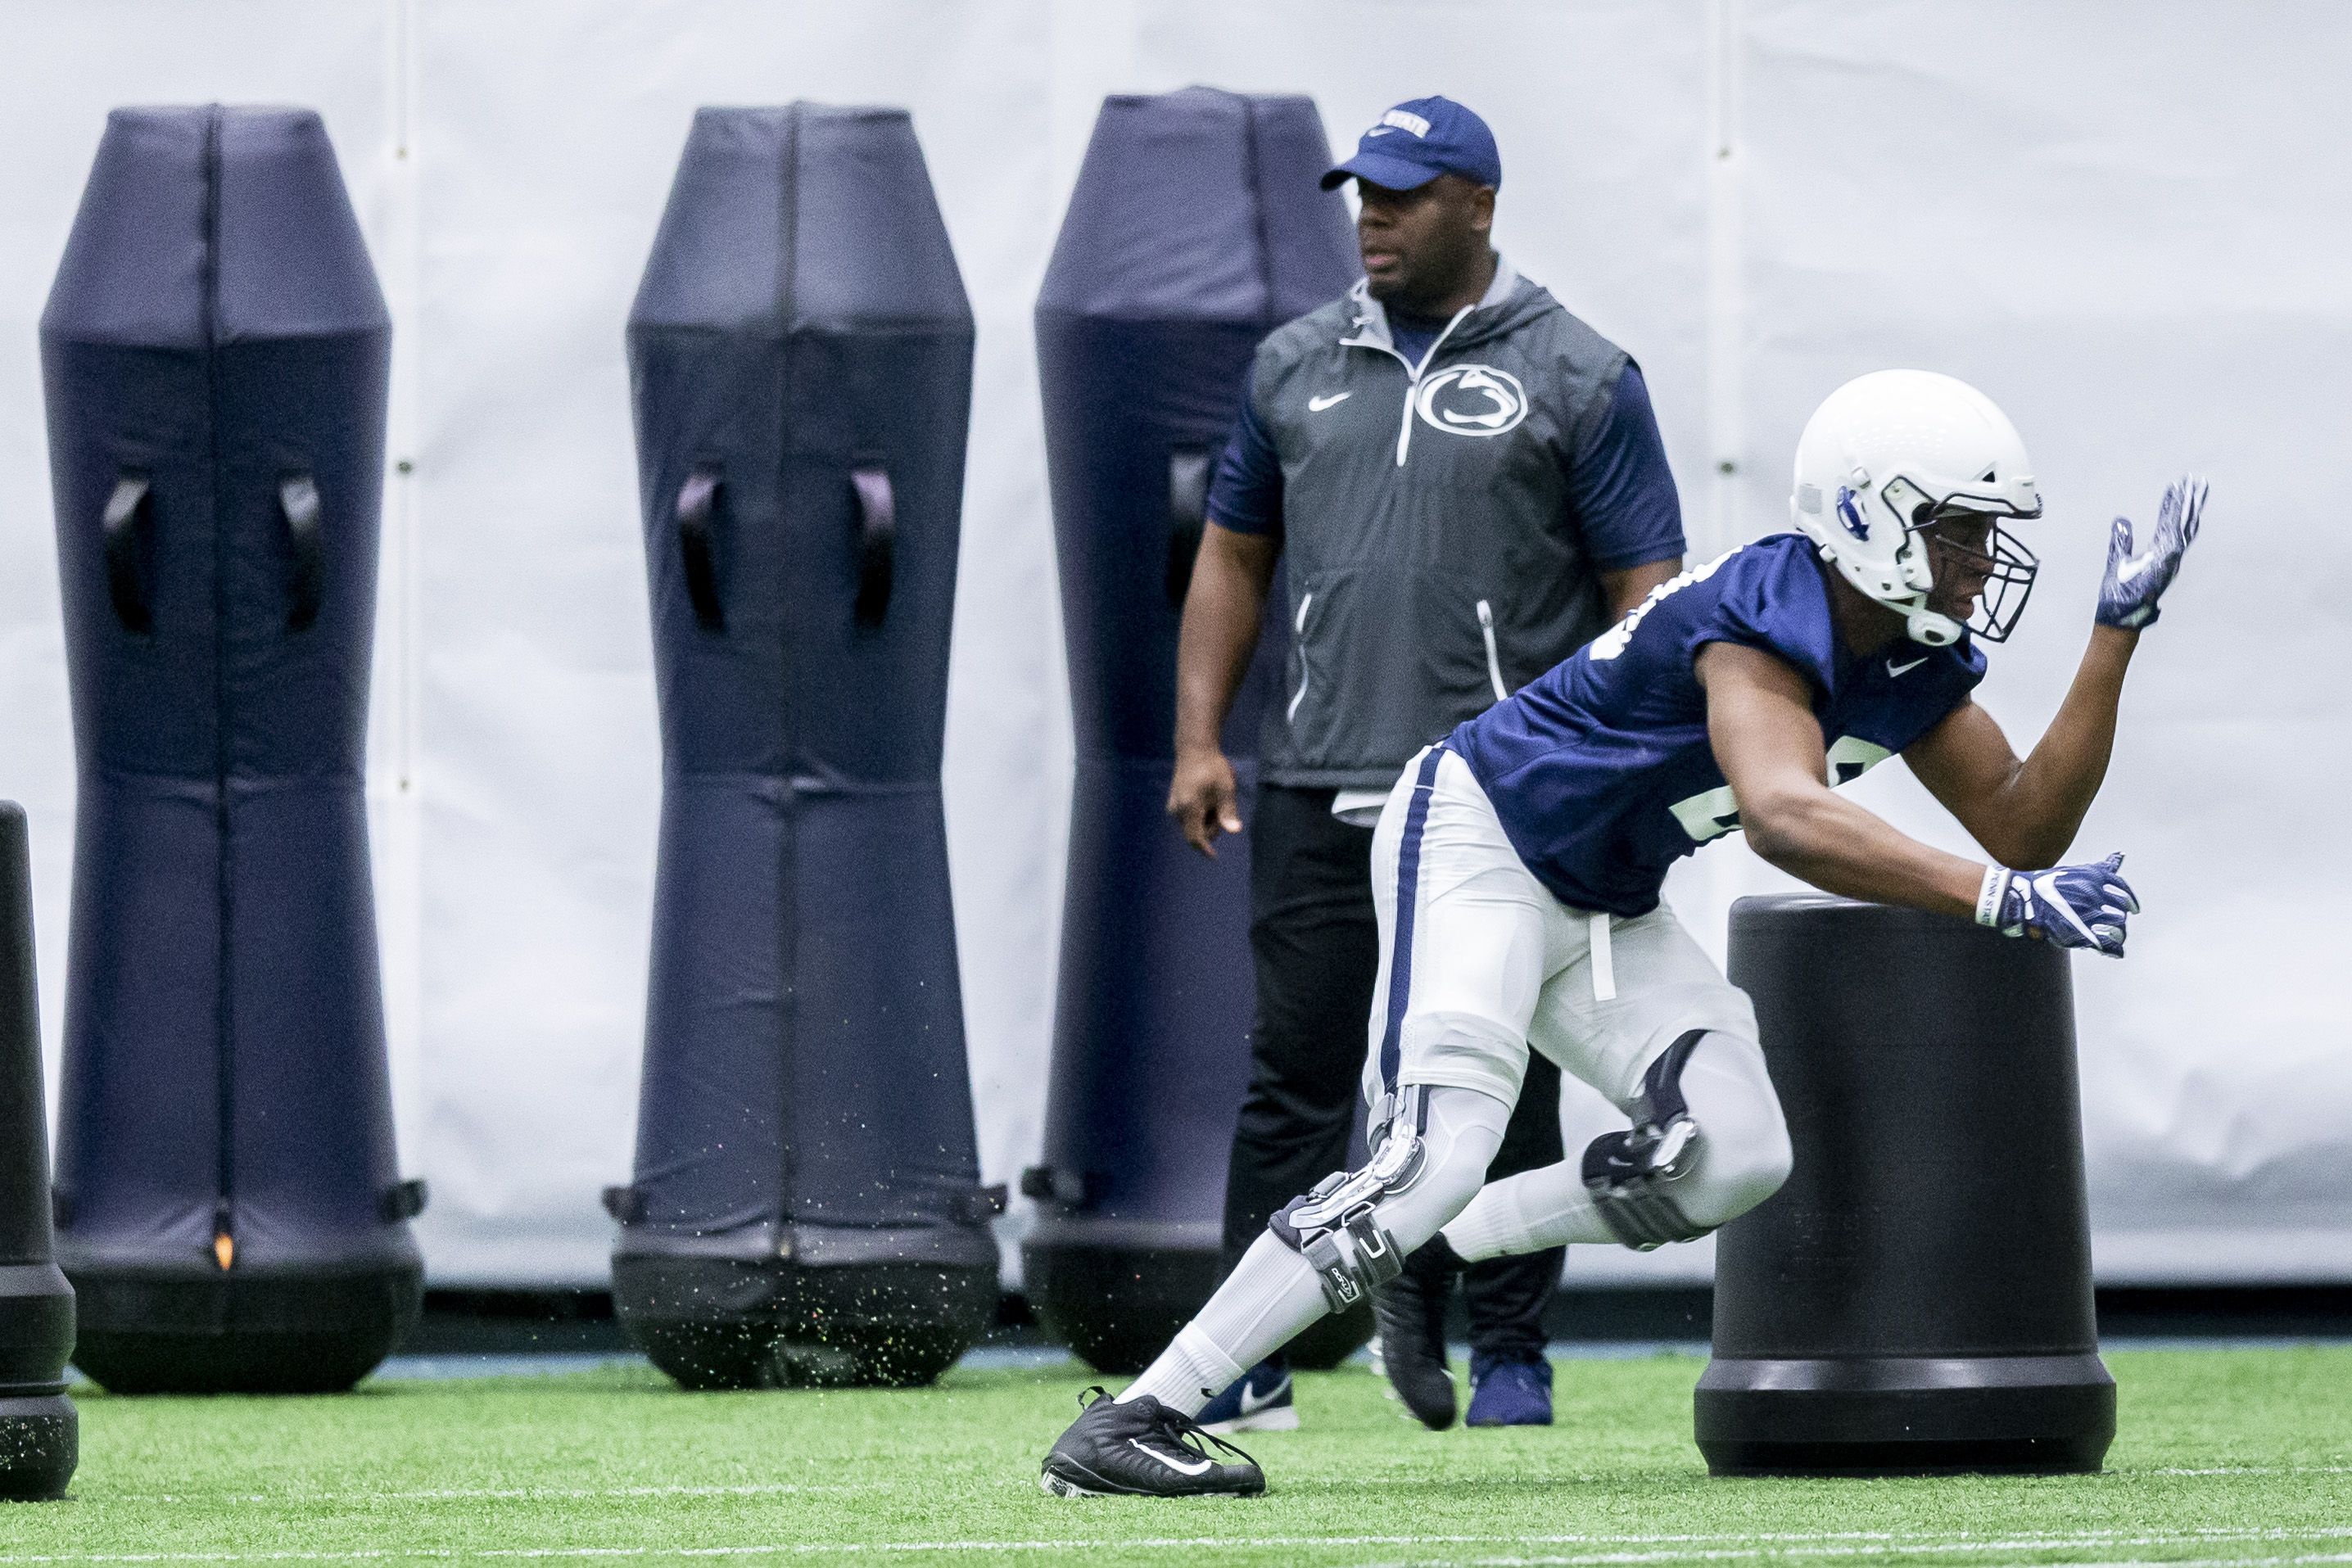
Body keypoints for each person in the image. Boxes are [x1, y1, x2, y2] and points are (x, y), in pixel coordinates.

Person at [1037, 368, 2204, 1497]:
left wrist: (2117, 633)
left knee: (1740, 1151)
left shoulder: (1909, 653)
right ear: (1872, 514)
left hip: (1602, 898)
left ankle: (1441, 1246)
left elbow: (2023, 821)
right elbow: (1784, 816)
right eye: (1959, 530)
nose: (1983, 559)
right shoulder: (1766, 605)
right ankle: (1143, 1414)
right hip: (1479, 842)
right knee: (1431, 1153)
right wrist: (1994, 902)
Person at [1172, 94, 1689, 1435]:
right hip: (1315, 781)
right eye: (1363, 195)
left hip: (1500, 803)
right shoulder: (1293, 364)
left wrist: (1617, 770)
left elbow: (1651, 593)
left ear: (1481, 205)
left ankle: (1511, 1352)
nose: (1374, 218)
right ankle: (1248, 1371)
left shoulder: (1582, 372)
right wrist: (1197, 739)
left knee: (1505, 1078)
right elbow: (1233, 554)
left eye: (1403, 195)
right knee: (1292, 1077)